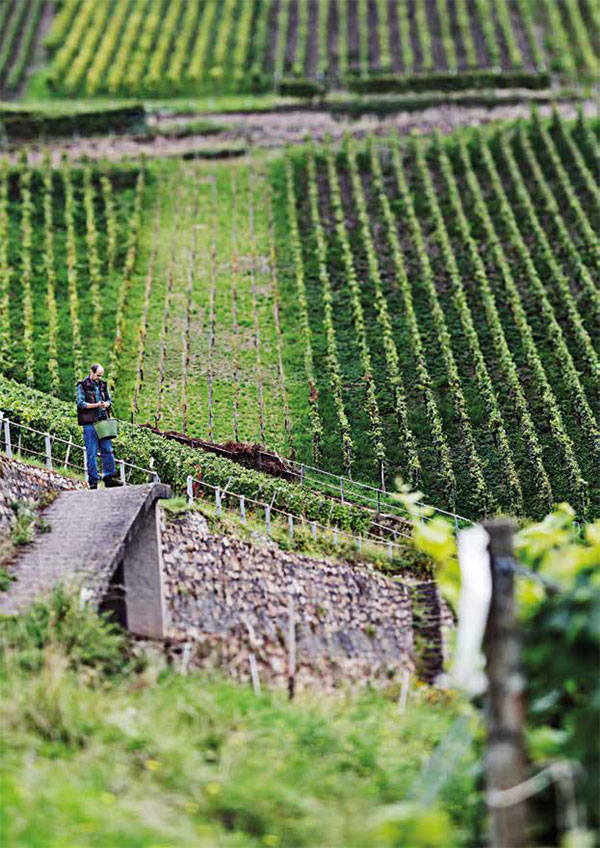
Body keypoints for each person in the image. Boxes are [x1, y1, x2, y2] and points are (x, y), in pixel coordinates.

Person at [76, 363, 122, 490]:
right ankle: (93, 482)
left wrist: (106, 404)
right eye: (97, 375)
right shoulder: (82, 385)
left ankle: (109, 478)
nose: (99, 378)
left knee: (108, 450)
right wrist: (96, 405)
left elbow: (109, 400)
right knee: (91, 453)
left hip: (103, 422)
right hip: (89, 424)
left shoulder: (103, 384)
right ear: (91, 372)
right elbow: (81, 404)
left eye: (101, 376)